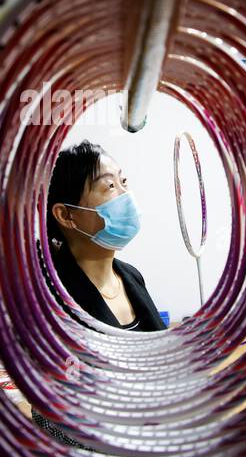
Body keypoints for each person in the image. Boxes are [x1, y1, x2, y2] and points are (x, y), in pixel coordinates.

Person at [44, 140, 167, 332]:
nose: (125, 194)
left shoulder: (132, 276)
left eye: (123, 181)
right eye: (110, 186)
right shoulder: (51, 296)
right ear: (66, 215)